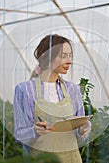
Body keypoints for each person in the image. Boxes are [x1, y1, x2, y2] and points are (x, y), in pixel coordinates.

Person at [13, 34, 91, 163]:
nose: (69, 61)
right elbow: (19, 134)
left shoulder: (73, 90)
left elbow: (78, 133)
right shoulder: (25, 90)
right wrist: (35, 131)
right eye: (63, 56)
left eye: (70, 56)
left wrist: (83, 130)